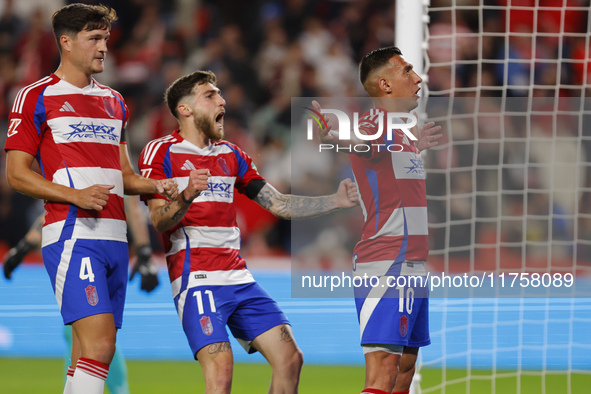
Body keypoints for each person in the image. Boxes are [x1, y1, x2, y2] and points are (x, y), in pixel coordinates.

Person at [137, 69, 359, 393]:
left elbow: (279, 204)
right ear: (184, 109)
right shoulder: (161, 152)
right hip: (197, 276)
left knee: (290, 358)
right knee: (221, 370)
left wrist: (335, 201)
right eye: (210, 95)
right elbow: (158, 221)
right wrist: (186, 196)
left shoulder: (232, 155)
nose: (221, 100)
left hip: (238, 277)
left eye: (220, 94)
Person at [3, 4, 177, 394]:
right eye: (94, 38)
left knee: (87, 355)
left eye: (106, 39)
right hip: (72, 233)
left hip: (116, 240)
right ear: (66, 42)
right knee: (100, 346)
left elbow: (126, 177)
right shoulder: (36, 96)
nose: (104, 47)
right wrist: (74, 195)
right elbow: (16, 174)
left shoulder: (115, 102)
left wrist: (161, 185)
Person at [315, 46, 442, 394]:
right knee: (383, 372)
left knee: (404, 369)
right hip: (387, 264)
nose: (418, 79)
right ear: (385, 85)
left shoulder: (401, 133)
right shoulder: (374, 125)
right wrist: (336, 139)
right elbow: (361, 143)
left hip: (413, 265)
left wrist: (412, 144)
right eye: (408, 72)